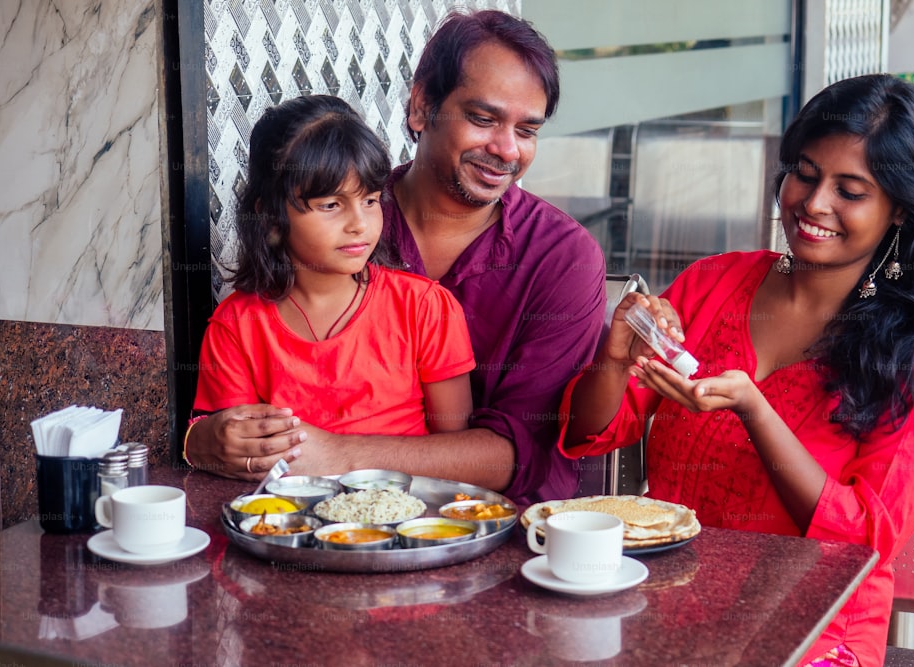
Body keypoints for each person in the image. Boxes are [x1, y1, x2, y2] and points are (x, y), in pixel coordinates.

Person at [558, 73, 914, 666]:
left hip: (815, 630)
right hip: (664, 602)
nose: (814, 204)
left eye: (851, 191)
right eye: (805, 175)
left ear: (897, 211)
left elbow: (863, 537)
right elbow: (592, 434)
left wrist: (754, 411)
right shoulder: (712, 284)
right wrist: (613, 360)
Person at [184, 10, 607, 504]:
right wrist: (203, 442)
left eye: (528, 130)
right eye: (482, 118)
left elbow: (518, 450)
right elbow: (226, 433)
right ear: (422, 106)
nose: (507, 150)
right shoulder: (340, 219)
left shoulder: (564, 257)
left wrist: (339, 456)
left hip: (499, 533)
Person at [188, 94, 475, 466]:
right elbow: (237, 454)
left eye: (370, 200)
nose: (359, 223)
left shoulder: (424, 309)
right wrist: (200, 442)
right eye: (331, 205)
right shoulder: (236, 326)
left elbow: (456, 457)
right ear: (272, 217)